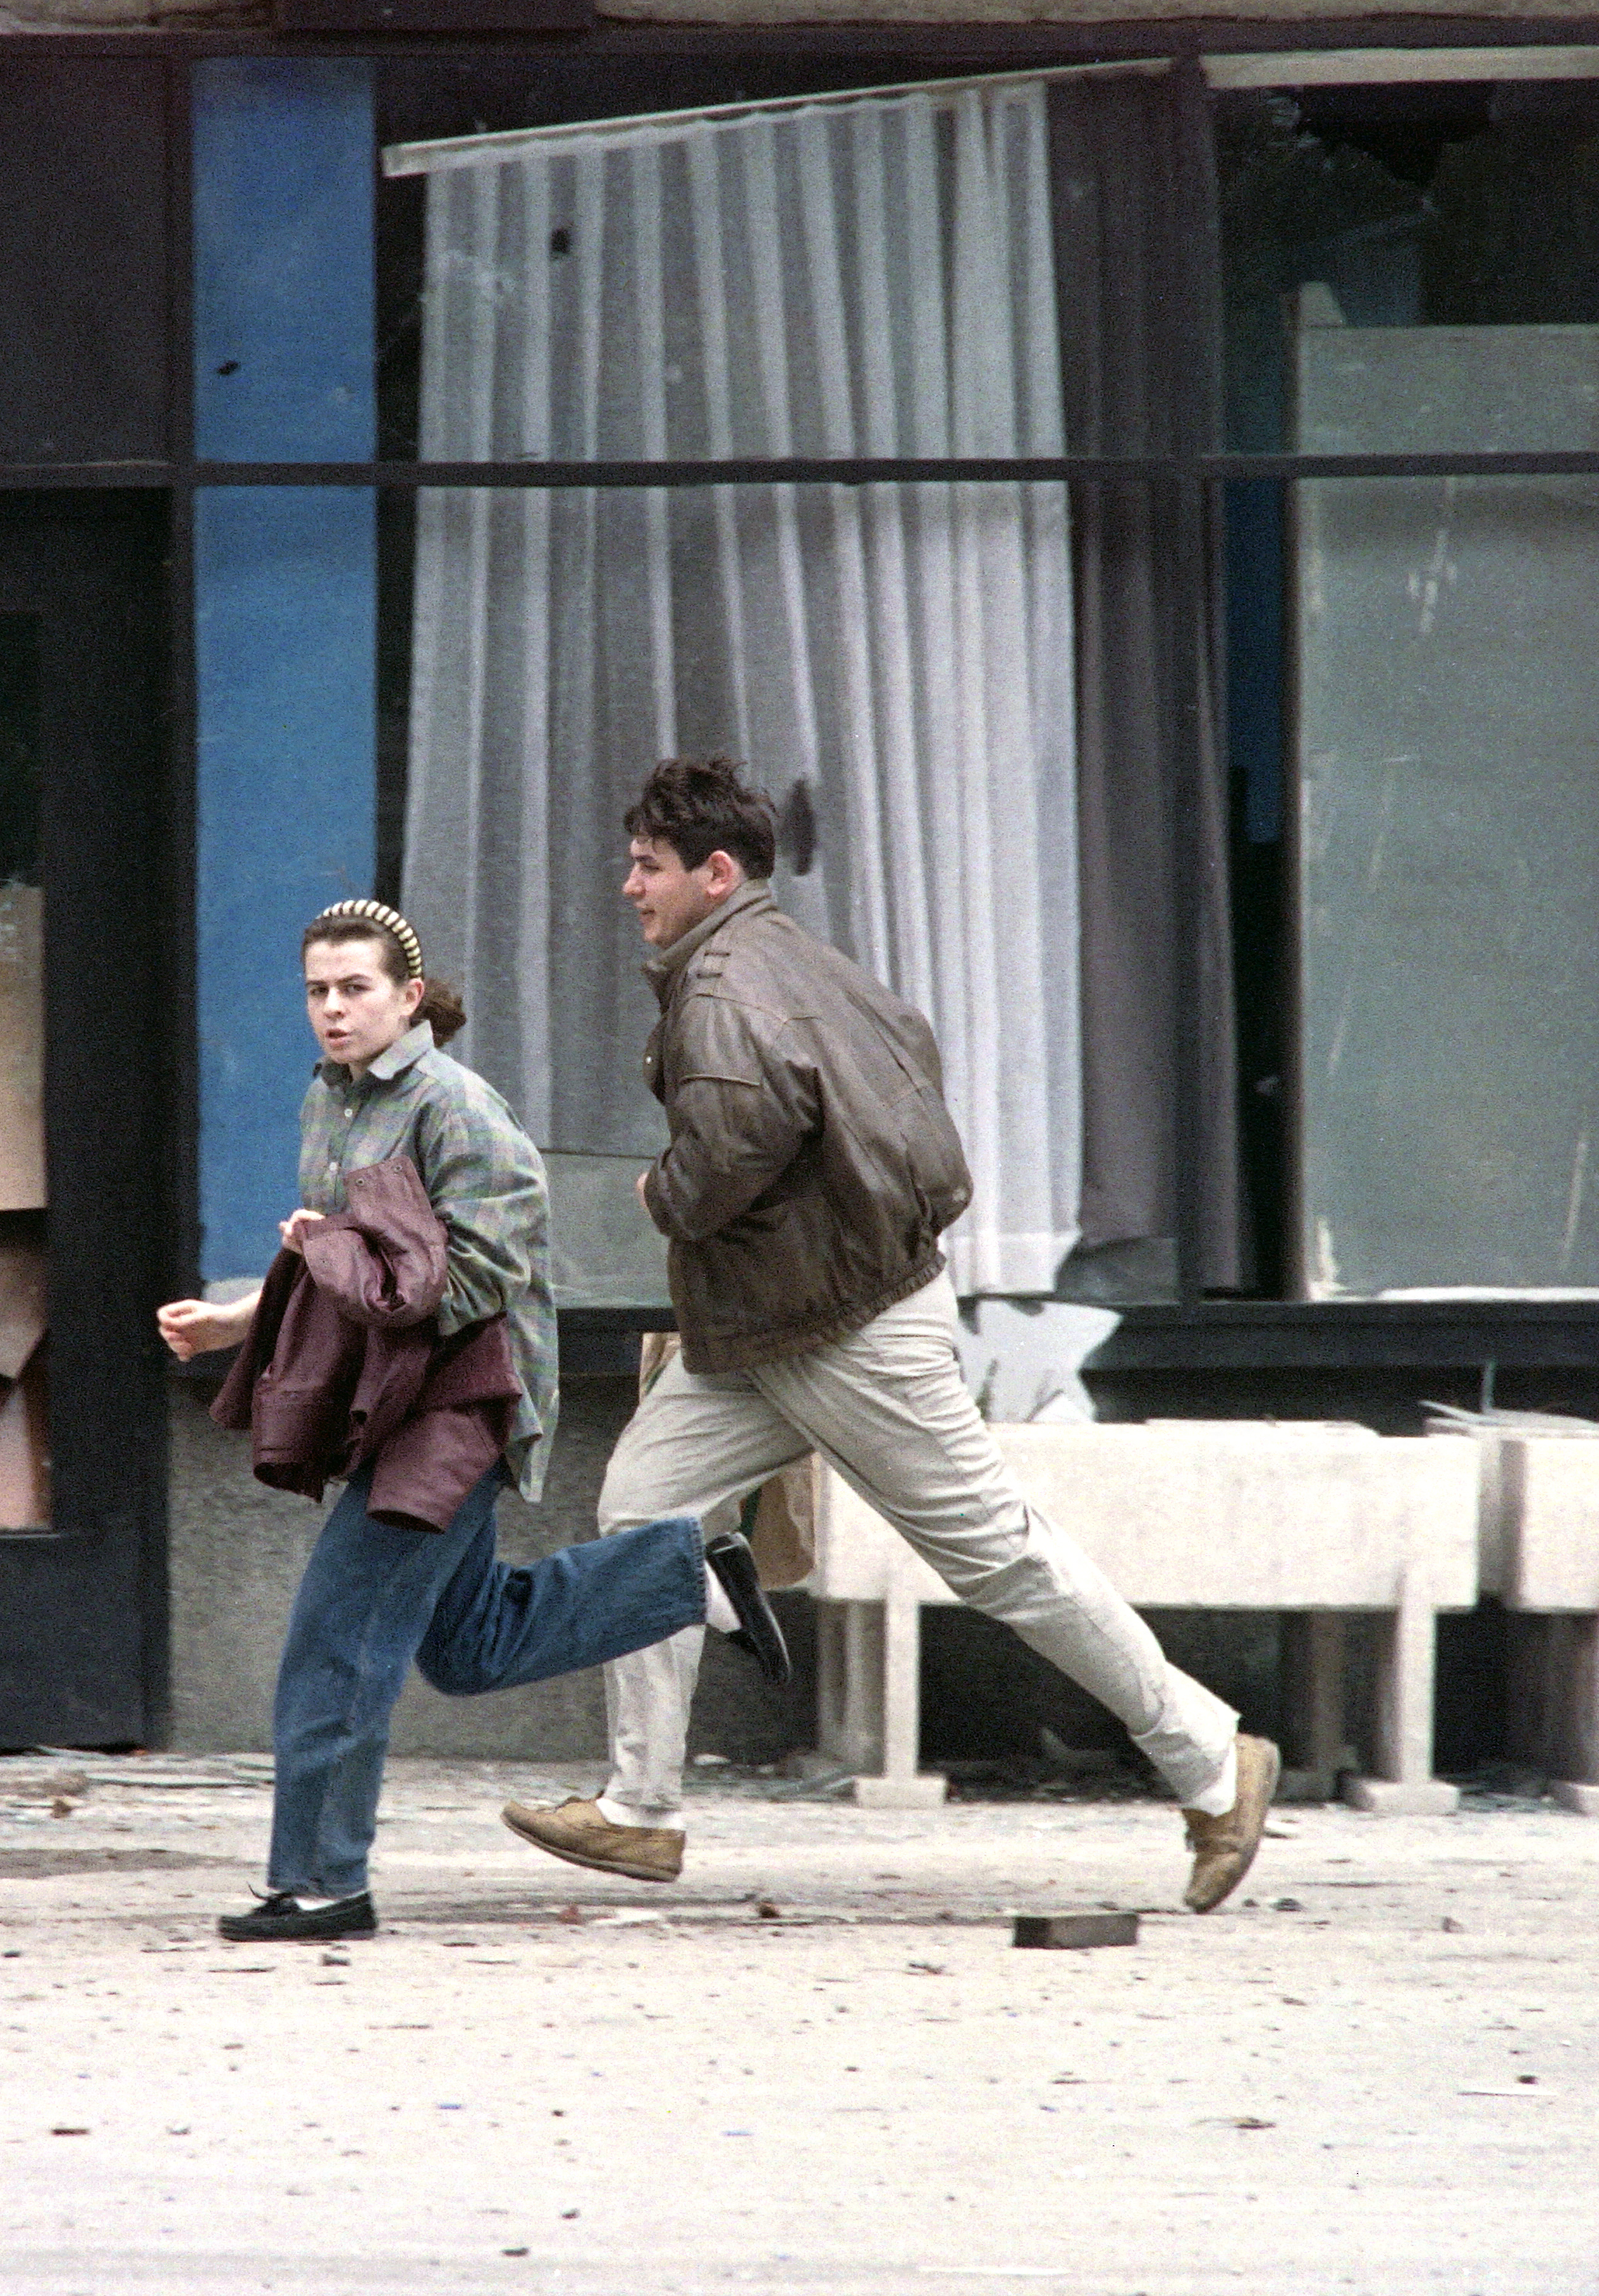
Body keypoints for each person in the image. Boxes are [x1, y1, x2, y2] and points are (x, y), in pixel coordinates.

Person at [496, 759, 1280, 1912]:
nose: (628, 886)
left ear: (716, 874)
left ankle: (1214, 1760)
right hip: (791, 1315)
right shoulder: (806, 961)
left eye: (647, 866)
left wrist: (659, 1198)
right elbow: (913, 1067)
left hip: (842, 1328)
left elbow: (722, 1166)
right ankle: (642, 1812)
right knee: (643, 1512)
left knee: (999, 1554)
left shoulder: (721, 990)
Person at [159, 898, 789, 1944]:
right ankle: (691, 1574)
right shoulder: (334, 1101)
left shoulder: (457, 1108)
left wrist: (334, 1259)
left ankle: (324, 1884)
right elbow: (345, 1256)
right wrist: (242, 1320)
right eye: (316, 990)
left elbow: (477, 1278)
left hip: (457, 1407)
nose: (332, 1009)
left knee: (337, 1639)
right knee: (468, 1646)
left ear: (410, 999)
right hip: (388, 1404)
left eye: (354, 988)